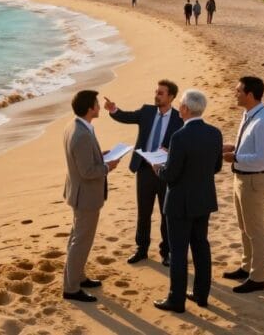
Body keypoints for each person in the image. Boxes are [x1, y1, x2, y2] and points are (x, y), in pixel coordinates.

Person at [152, 89, 224, 313]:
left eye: (181, 106)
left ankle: (176, 299)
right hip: (203, 199)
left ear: (185, 109)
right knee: (201, 246)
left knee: (179, 251)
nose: (179, 110)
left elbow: (171, 175)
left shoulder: (179, 136)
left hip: (180, 203)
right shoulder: (215, 133)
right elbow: (217, 167)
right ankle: (201, 295)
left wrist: (158, 168)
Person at [105, 80, 183, 266]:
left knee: (167, 214)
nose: (156, 95)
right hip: (144, 170)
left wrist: (169, 151)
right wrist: (113, 109)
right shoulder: (147, 111)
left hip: (165, 172)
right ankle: (141, 250)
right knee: (143, 212)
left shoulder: (179, 118)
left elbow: (184, 145)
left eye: (161, 93)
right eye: (156, 92)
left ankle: (167, 252)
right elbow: (126, 116)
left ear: (171, 97)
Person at [62, 90, 121, 303]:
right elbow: (88, 172)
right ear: (90, 108)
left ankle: (77, 276)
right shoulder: (81, 135)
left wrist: (100, 155)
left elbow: (84, 160)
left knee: (78, 237)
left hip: (79, 193)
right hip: (85, 196)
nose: (99, 106)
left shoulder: (76, 126)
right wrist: (107, 167)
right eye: (96, 104)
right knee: (81, 241)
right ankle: (71, 288)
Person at [222, 76, 264, 293]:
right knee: (244, 227)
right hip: (242, 177)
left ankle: (257, 278)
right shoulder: (249, 114)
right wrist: (231, 147)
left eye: (238, 91)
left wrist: (236, 157)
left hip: (254, 179)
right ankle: (247, 267)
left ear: (250, 95)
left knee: (255, 230)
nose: (235, 93)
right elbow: (249, 147)